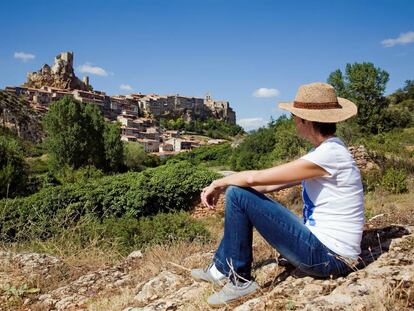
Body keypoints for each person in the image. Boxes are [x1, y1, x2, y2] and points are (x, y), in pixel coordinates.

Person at [191, 82, 365, 307]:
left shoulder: (330, 155)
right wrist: (227, 189)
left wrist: (219, 182)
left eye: (295, 116)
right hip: (324, 250)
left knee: (237, 193)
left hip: (329, 259)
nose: (293, 120)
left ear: (306, 121)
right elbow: (266, 186)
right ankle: (221, 269)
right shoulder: (328, 151)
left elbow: (256, 178)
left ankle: (240, 281)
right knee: (238, 193)